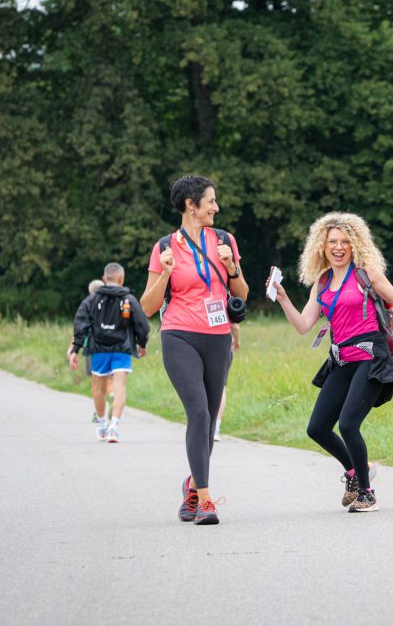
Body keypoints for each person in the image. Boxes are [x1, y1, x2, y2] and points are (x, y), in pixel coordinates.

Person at [270, 212, 393, 513]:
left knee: (348, 424)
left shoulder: (366, 274)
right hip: (342, 360)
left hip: (371, 358)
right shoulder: (322, 283)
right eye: (332, 242)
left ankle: (366, 493)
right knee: (317, 428)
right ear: (322, 246)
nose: (338, 247)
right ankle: (355, 471)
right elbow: (304, 325)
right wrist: (283, 298)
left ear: (355, 245)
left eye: (345, 242)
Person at [141, 175, 249, 526]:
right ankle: (205, 500)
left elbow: (242, 294)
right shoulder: (164, 247)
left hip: (218, 336)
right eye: (210, 201)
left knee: (210, 419)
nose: (216, 207)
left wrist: (232, 267)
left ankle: (192, 486)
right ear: (191, 205)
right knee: (199, 414)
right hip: (179, 336)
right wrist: (164, 274)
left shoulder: (225, 240)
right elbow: (146, 307)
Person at [69, 263, 150, 443]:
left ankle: (102, 425)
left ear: (104, 279)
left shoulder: (91, 300)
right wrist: (142, 344)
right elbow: (142, 325)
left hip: (99, 349)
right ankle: (114, 426)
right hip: (122, 349)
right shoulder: (129, 299)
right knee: (119, 387)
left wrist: (75, 349)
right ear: (121, 279)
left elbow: (81, 324)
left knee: (98, 388)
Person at [69, 279, 115, 423]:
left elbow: (80, 328)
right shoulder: (111, 303)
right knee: (110, 379)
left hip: (92, 347)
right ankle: (112, 394)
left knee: (96, 382)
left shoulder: (88, 304)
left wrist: (73, 349)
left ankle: (98, 412)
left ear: (90, 292)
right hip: (113, 346)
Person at [214, 325, 239, 442]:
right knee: (221, 387)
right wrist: (237, 340)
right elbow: (235, 325)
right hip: (223, 343)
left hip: (197, 342)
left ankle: (201, 425)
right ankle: (215, 429)